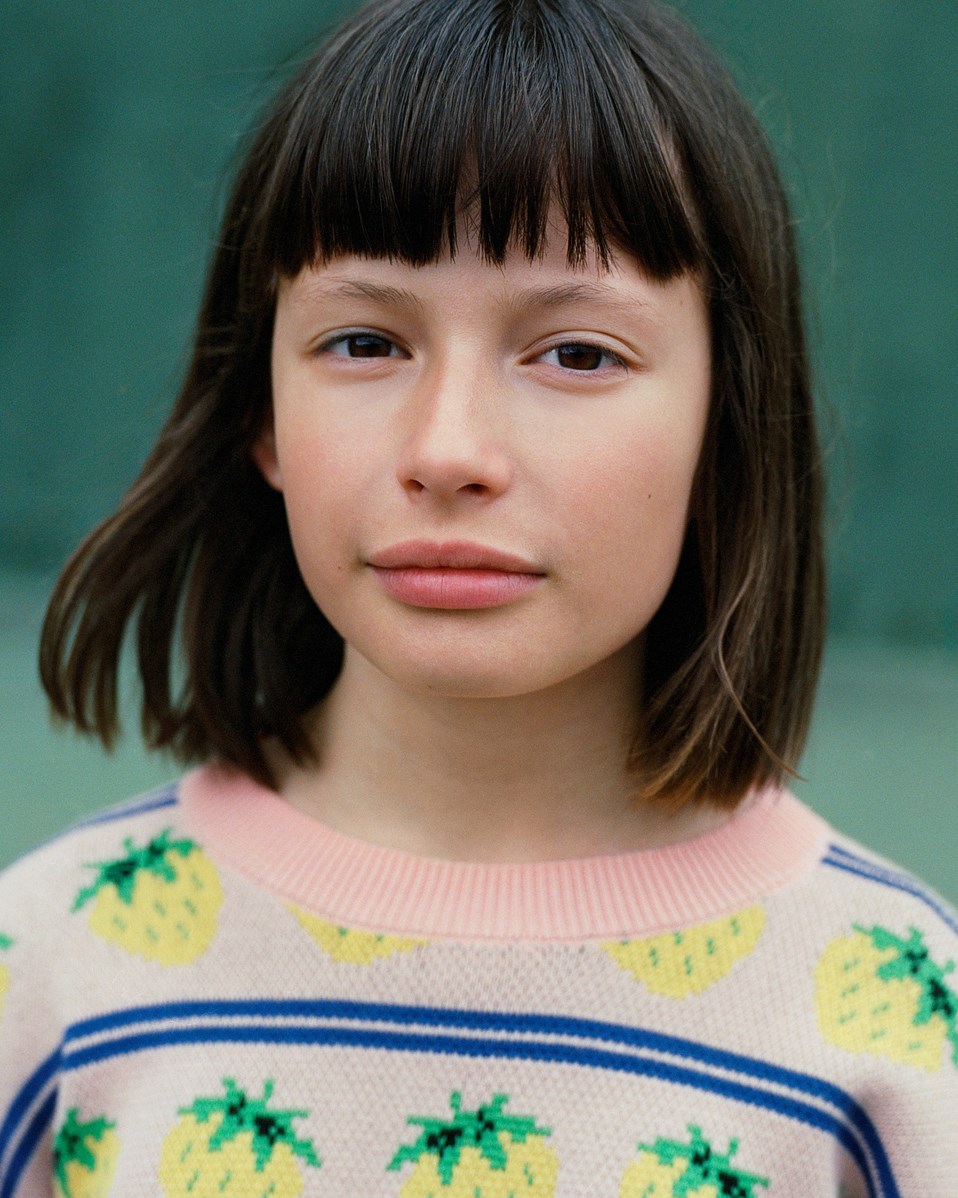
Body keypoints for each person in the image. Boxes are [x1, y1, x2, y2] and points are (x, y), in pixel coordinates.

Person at [1, 0, 955, 1192]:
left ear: (725, 423)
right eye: (363, 342)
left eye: (577, 354)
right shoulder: (50, 969)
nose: (448, 448)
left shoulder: (901, 1025)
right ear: (259, 410)